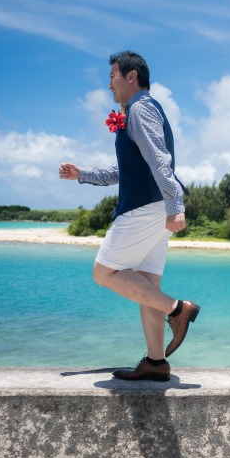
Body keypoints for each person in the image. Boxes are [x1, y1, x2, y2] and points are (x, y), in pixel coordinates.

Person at [59, 51, 200, 382]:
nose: (109, 84)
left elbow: (159, 160)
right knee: (145, 285)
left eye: (112, 76)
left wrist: (174, 204)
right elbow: (123, 171)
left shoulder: (141, 108)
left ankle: (179, 309)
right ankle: (156, 361)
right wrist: (82, 174)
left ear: (131, 76)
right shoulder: (133, 112)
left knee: (103, 272)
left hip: (145, 208)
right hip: (152, 207)